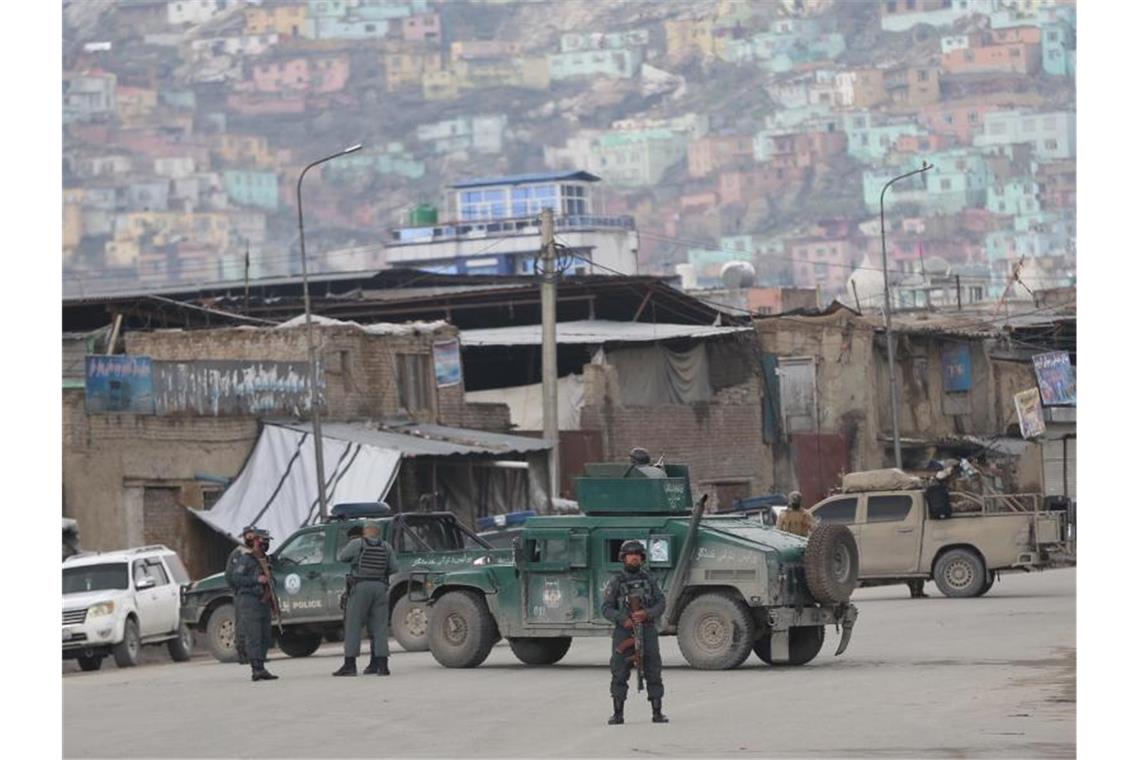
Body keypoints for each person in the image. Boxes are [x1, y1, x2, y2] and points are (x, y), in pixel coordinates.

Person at [601, 540, 668, 725]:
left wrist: (646, 613)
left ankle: (657, 712)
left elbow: (661, 603)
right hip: (624, 632)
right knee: (619, 671)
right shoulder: (616, 581)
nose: (634, 558)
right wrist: (624, 619)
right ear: (623, 558)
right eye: (630, 555)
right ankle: (618, 714)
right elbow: (606, 608)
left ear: (642, 558)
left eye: (637, 554)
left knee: (653, 670)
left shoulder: (650, 579)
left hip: (647, 630)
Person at [333, 519, 396, 676]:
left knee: (353, 625)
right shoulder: (386, 546)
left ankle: (350, 665)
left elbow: (342, 557)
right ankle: (382, 666)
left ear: (366, 530)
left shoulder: (358, 543)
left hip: (360, 587)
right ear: (378, 531)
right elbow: (394, 568)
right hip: (381, 588)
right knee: (380, 627)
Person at [224, 526, 278, 681]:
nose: (265, 543)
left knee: (265, 636)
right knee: (253, 636)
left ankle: (262, 667)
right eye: (263, 540)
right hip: (249, 601)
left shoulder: (265, 559)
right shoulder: (245, 558)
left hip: (263, 601)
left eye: (267, 540)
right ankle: (256, 669)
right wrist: (256, 580)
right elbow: (235, 578)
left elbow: (270, 577)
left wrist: (270, 583)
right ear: (255, 540)